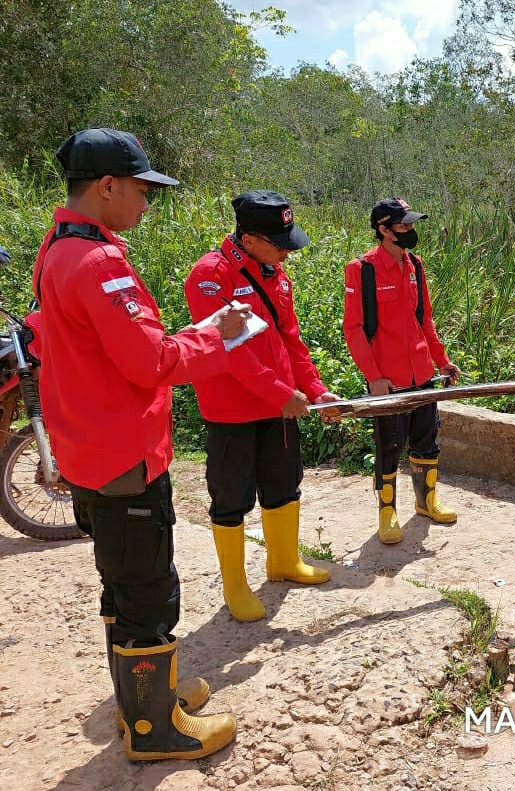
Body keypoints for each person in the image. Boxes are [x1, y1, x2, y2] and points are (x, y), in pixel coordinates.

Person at [33, 127, 246, 760]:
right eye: (141, 190)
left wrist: (182, 335)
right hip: (123, 455)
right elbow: (152, 363)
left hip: (87, 448)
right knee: (149, 591)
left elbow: (106, 347)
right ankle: (154, 730)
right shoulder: (99, 262)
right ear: (107, 186)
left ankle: (149, 697)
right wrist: (220, 336)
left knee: (121, 581)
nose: (146, 204)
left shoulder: (58, 247)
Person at [184, 191, 342, 622]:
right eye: (280, 243)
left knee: (284, 483)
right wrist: (281, 393)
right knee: (231, 496)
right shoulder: (209, 277)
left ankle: (283, 561)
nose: (288, 252)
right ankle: (235, 586)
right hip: (233, 410)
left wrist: (315, 388)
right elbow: (231, 352)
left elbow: (292, 342)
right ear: (249, 239)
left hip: (282, 406)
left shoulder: (277, 276)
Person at [342, 198, 461, 544]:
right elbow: (353, 329)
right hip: (388, 379)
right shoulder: (362, 270)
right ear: (383, 229)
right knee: (389, 445)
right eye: (404, 226)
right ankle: (387, 512)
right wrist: (374, 376)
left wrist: (442, 361)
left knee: (427, 439)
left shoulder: (415, 266)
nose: (411, 231)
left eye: (411, 225)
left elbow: (424, 320)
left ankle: (427, 501)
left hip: (422, 372)